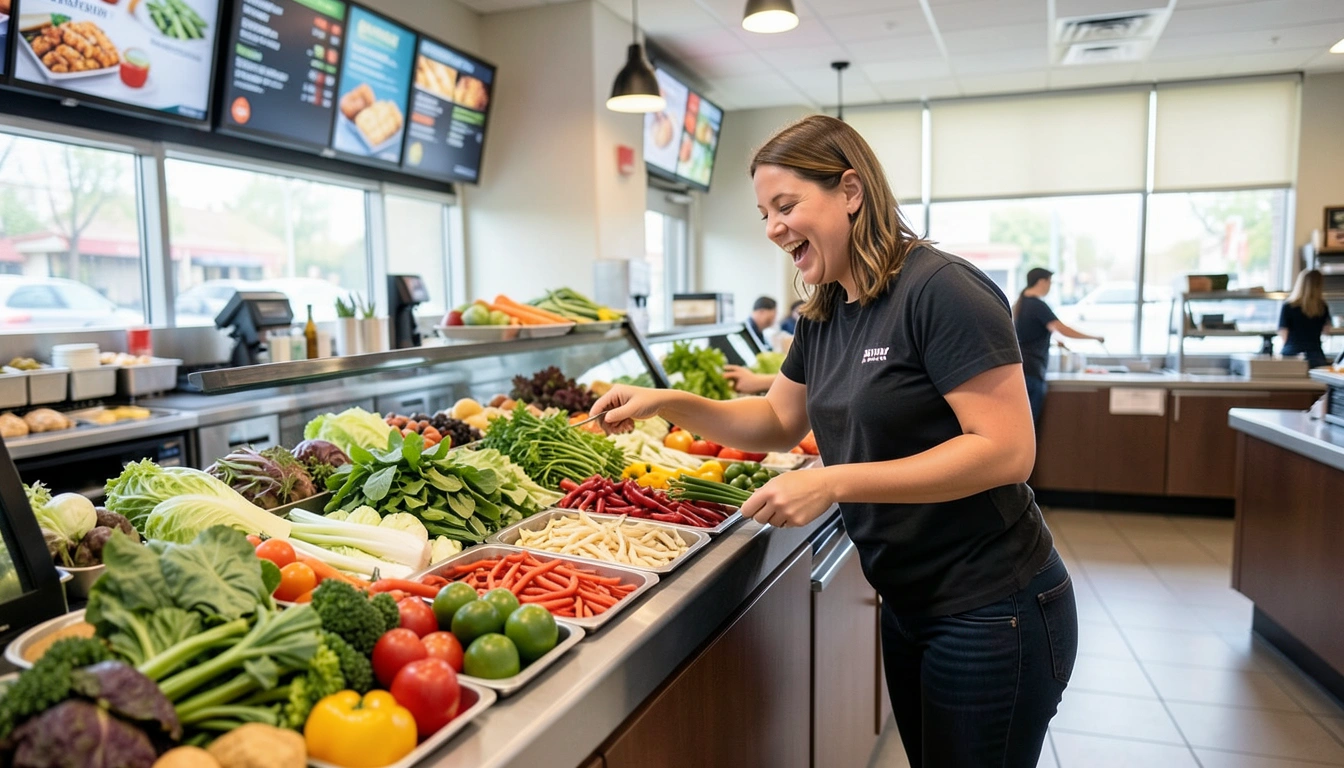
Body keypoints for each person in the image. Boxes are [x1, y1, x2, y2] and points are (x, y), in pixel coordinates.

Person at [591, 115, 1075, 767]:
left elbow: (1006, 450)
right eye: (764, 212)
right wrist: (668, 402)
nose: (772, 228)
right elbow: (775, 423)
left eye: (786, 205)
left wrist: (832, 480)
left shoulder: (941, 290)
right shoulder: (825, 310)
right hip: (908, 601)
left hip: (994, 605)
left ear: (850, 191)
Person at [1013, 268, 1105, 424]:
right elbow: (1061, 328)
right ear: (1042, 282)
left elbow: (1030, 334)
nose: (1050, 286)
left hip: (1021, 369)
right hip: (1033, 370)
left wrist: (1054, 341)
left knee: (1020, 425)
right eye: (1050, 282)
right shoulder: (1037, 305)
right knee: (1028, 426)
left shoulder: (1021, 303)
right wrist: (1095, 337)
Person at [1280, 269, 1332, 369]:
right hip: (1315, 354)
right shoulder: (1322, 307)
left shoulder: (1288, 306)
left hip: (1291, 353)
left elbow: (1283, 333)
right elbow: (1326, 331)